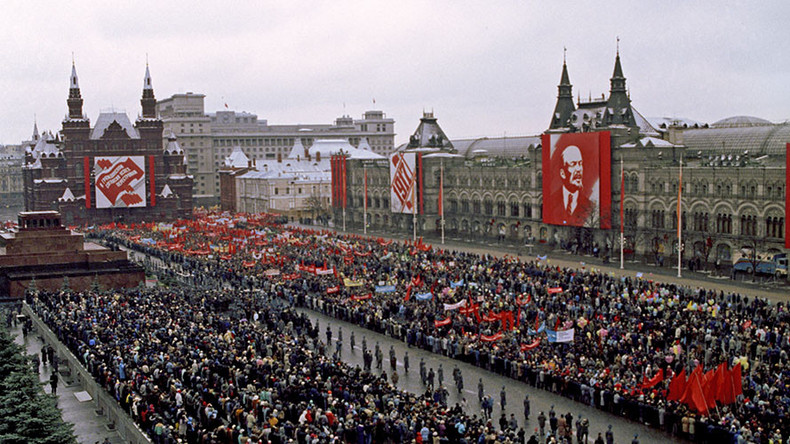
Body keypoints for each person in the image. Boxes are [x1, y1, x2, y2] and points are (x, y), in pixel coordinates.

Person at [545, 144, 595, 225]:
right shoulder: (551, 201)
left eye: (580, 163)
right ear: (562, 173)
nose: (578, 169)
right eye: (573, 164)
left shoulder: (590, 205)